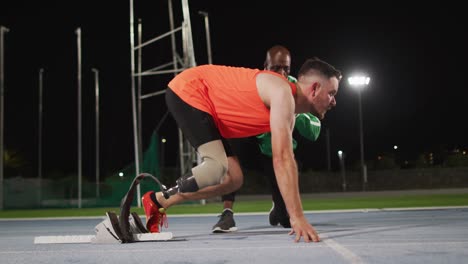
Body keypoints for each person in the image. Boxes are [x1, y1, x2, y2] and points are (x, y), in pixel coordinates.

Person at [142, 57, 342, 243]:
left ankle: (159, 201)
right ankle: (154, 198)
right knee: (215, 167)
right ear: (314, 89)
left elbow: (281, 157)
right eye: (331, 93)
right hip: (191, 90)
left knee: (233, 179)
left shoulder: (288, 107)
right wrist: (297, 217)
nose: (334, 102)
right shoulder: (282, 93)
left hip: (212, 110)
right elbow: (282, 159)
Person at [212, 45, 322, 233]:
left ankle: (278, 209)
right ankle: (227, 213)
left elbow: (315, 131)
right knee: (232, 146)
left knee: (285, 221)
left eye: (285, 68)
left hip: (275, 155)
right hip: (251, 147)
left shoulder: (295, 89)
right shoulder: (254, 84)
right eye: (275, 68)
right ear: (265, 67)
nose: (281, 73)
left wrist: (294, 111)